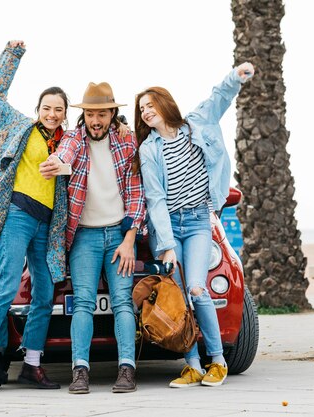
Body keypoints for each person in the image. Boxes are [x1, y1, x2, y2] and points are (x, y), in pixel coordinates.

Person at [0, 40, 69, 394]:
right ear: (37, 109)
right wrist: (12, 55)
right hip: (18, 216)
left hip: (47, 226)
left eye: (59, 109)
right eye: (47, 108)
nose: (52, 114)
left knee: (45, 292)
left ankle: (32, 365)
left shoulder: (67, 142)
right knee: (6, 286)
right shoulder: (16, 125)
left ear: (65, 114)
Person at [135, 62, 255, 388]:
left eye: (150, 105)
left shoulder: (197, 123)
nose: (146, 112)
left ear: (165, 104)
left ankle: (216, 360)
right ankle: (191, 366)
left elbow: (220, 97)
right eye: (142, 109)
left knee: (197, 289)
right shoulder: (149, 150)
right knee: (179, 296)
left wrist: (236, 77)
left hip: (200, 220)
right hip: (170, 227)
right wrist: (168, 245)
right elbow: (155, 199)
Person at [40, 82, 146, 394]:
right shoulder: (75, 137)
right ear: (83, 115)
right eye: (90, 114)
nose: (95, 120)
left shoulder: (127, 143)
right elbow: (66, 153)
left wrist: (129, 240)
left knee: (124, 302)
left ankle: (127, 369)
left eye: (102, 114)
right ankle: (80, 371)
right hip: (84, 236)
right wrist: (58, 164)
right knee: (83, 303)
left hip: (118, 235)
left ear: (113, 114)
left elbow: (138, 196)